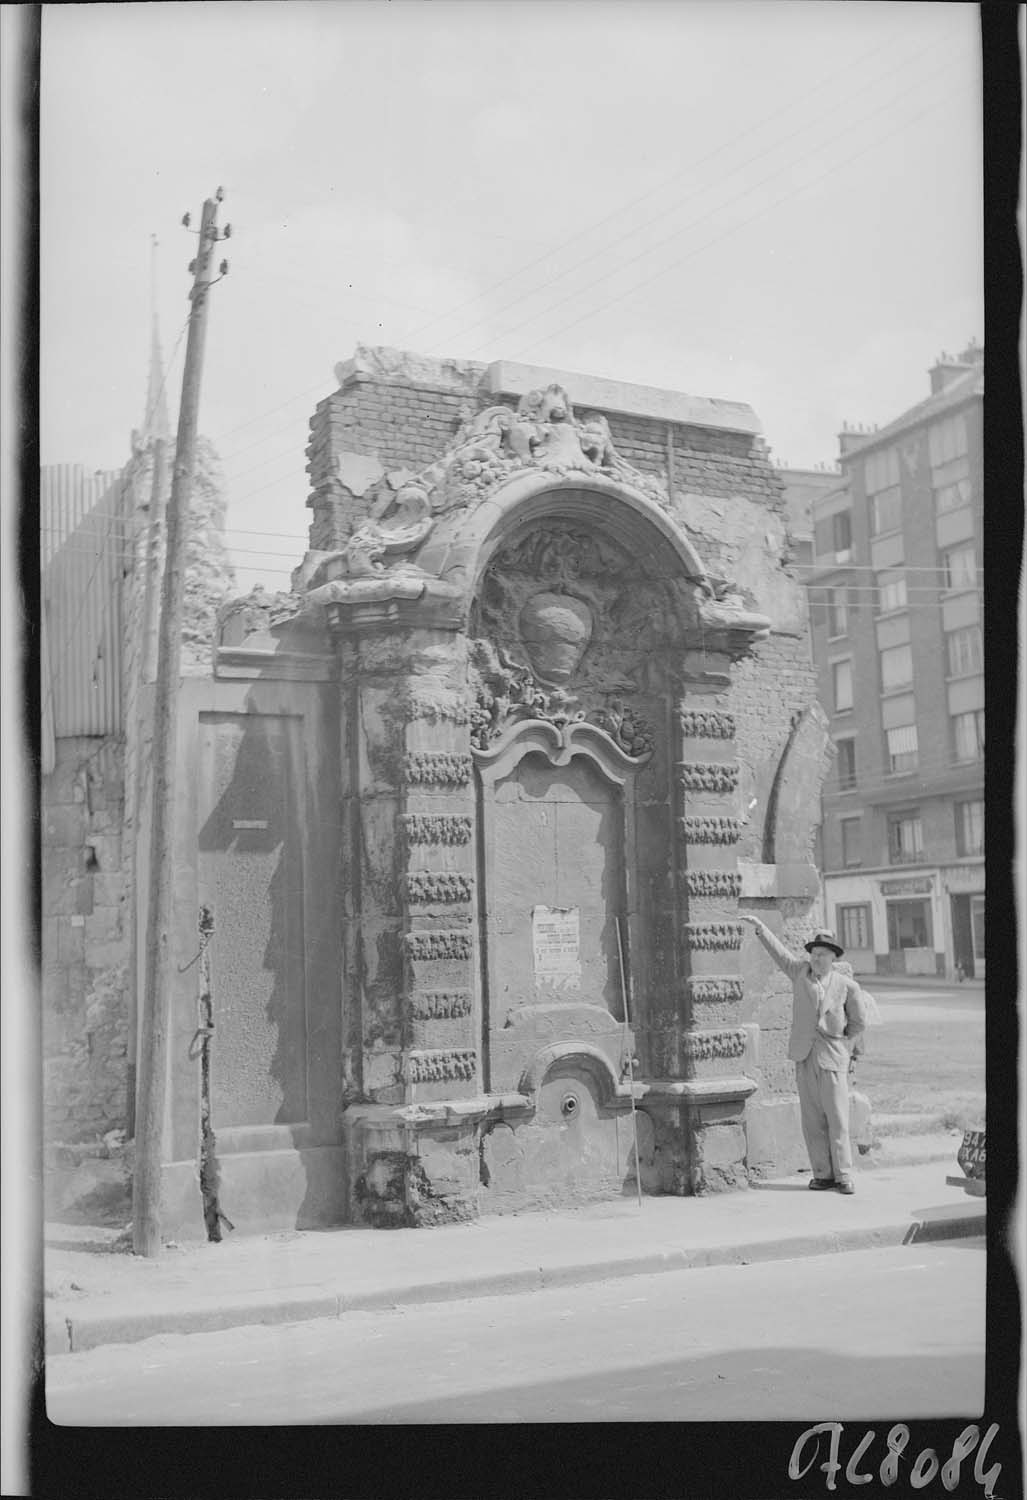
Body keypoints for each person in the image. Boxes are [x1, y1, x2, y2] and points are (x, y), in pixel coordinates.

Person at [739, 916, 866, 1193]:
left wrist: (843, 1043)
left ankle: (844, 1174)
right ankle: (822, 1173)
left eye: (823, 954)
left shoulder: (847, 986)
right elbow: (780, 954)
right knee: (811, 1119)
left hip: (832, 1056)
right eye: (814, 953)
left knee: (838, 1118)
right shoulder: (799, 973)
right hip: (804, 1055)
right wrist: (761, 928)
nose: (817, 959)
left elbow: (858, 1023)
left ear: (833, 957)